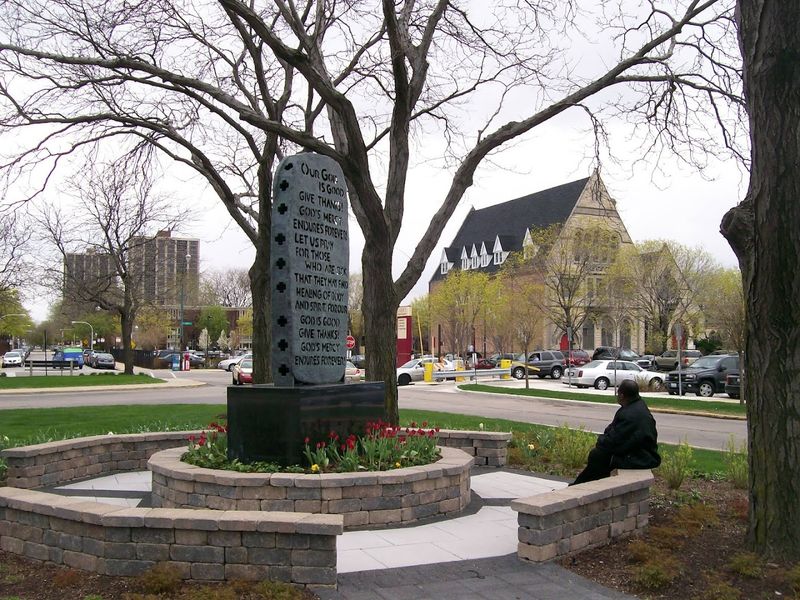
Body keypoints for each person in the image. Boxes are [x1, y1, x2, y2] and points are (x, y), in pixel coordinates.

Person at [572, 379, 661, 485]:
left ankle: (585, 487)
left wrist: (601, 440)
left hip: (641, 457)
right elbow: (616, 434)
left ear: (622, 395)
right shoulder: (638, 406)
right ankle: (586, 485)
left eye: (618, 393)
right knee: (600, 455)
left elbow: (614, 441)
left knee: (598, 456)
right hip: (639, 452)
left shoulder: (629, 415)